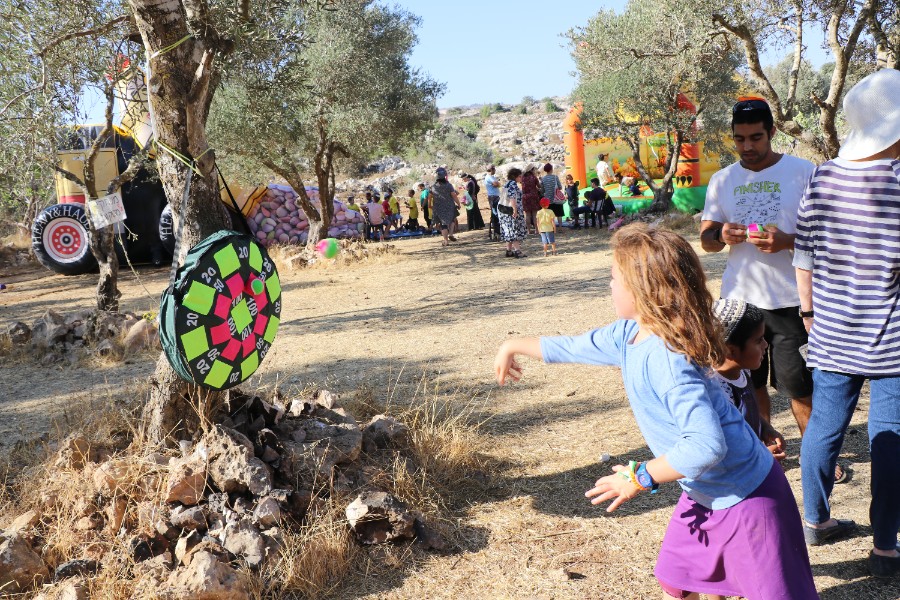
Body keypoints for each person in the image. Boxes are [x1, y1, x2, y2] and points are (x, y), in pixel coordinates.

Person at [494, 224, 817, 600]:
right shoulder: (630, 334)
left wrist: (640, 477)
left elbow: (705, 446)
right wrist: (512, 344)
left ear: (644, 288)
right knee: (678, 579)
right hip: (705, 495)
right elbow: (575, 346)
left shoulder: (668, 360)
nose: (610, 286)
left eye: (615, 278)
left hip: (747, 497)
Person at [793, 68, 900, 575]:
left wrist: (810, 313)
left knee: (823, 429)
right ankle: (885, 547)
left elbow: (804, 254)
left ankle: (816, 521)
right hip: (891, 340)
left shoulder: (823, 175)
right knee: (890, 436)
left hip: (831, 330)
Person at [699, 98, 819, 458]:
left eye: (755, 137)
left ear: (773, 132)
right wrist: (722, 236)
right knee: (746, 383)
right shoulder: (722, 180)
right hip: (739, 302)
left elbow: (828, 233)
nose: (747, 147)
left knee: (798, 387)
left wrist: (787, 241)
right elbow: (707, 240)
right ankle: (761, 452)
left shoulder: (803, 171)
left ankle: (817, 457)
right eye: (739, 139)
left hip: (791, 300)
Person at [712, 299, 786, 461]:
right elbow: (727, 445)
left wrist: (765, 428)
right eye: (758, 340)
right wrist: (761, 455)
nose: (766, 345)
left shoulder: (742, 370)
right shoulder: (717, 391)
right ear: (730, 351)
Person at [498, 167, 527, 258]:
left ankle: (509, 250)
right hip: (510, 211)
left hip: (503, 210)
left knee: (508, 230)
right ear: (515, 176)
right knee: (514, 229)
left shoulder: (507, 184)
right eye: (520, 176)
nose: (521, 178)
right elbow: (512, 198)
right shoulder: (513, 185)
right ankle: (517, 251)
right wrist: (515, 210)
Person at [429, 167, 460, 247]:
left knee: (443, 224)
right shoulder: (449, 185)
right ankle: (451, 234)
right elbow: (454, 195)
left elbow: (430, 196)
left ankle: (446, 241)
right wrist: (458, 203)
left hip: (438, 207)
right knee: (452, 219)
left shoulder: (433, 186)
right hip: (449, 205)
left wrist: (429, 204)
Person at [521, 164, 542, 234]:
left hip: (525, 197)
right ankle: (536, 229)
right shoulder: (534, 177)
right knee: (534, 214)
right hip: (534, 196)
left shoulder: (523, 177)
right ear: (532, 170)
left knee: (527, 215)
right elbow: (539, 186)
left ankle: (528, 230)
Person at [485, 165, 502, 241]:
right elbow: (496, 184)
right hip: (493, 197)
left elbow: (497, 184)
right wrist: (498, 184)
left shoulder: (492, 177)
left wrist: (497, 184)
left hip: (494, 196)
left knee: (496, 214)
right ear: (491, 169)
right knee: (496, 214)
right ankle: (496, 232)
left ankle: (497, 232)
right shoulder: (489, 177)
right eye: (494, 169)